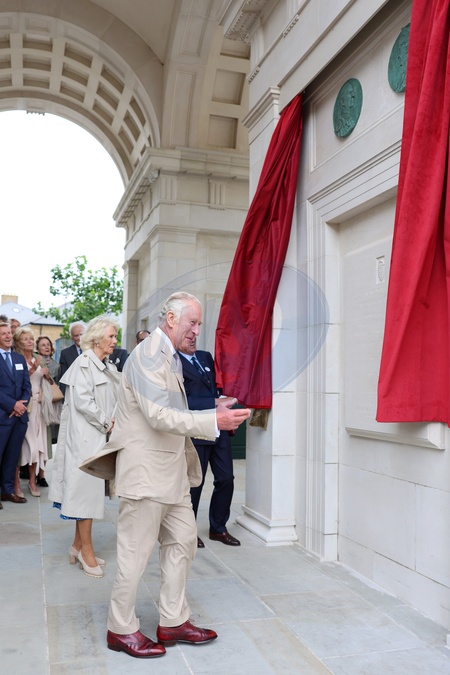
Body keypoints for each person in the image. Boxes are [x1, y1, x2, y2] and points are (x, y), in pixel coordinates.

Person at [92, 292, 250, 660]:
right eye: (192, 322)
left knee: (183, 542)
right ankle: (120, 629)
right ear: (172, 319)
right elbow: (159, 416)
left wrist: (213, 404)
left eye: (200, 324)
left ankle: (174, 621)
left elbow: (171, 405)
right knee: (135, 555)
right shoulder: (148, 354)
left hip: (173, 473)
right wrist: (214, 420)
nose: (197, 330)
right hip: (147, 474)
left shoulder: (170, 355)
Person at [49, 316, 121, 579]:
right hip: (84, 440)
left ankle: (76, 546)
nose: (115, 341)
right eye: (111, 336)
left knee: (88, 494)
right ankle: (86, 552)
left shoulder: (106, 365)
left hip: (98, 438)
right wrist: (108, 423)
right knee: (84, 497)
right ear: (97, 339)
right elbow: (84, 402)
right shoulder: (82, 364)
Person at [179, 346, 240, 548]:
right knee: (195, 483)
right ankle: (189, 532)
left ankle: (218, 528)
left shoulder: (204, 356)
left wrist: (224, 400)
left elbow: (217, 384)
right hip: (197, 428)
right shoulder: (173, 361)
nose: (193, 334)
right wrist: (216, 402)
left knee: (226, 478)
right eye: (189, 331)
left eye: (196, 331)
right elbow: (183, 400)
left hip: (219, 428)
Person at [14, 327, 54, 497]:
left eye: (31, 338)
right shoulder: (15, 359)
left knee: (38, 445)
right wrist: (32, 369)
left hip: (39, 408)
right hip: (24, 408)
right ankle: (16, 483)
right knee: (20, 446)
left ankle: (32, 481)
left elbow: (49, 383)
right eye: (26, 339)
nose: (30, 341)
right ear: (18, 343)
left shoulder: (39, 358)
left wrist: (46, 374)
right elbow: (17, 383)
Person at [0, 321, 31, 506]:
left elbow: (27, 386)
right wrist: (12, 405)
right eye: (3, 333)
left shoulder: (19, 359)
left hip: (19, 418)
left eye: (9, 333)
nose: (8, 336)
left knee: (12, 457)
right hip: (3, 416)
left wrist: (21, 405)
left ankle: (7, 491)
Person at [36, 335, 61, 480]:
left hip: (48, 405)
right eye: (43, 345)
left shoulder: (56, 366)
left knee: (46, 441)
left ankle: (42, 474)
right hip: (35, 402)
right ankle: (29, 470)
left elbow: (55, 386)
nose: (46, 347)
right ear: (37, 348)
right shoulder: (33, 361)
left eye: (48, 345)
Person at [58, 321, 86, 393]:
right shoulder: (65, 354)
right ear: (72, 337)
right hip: (73, 392)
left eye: (81, 334)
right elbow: (63, 378)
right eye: (76, 335)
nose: (79, 338)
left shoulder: (94, 350)